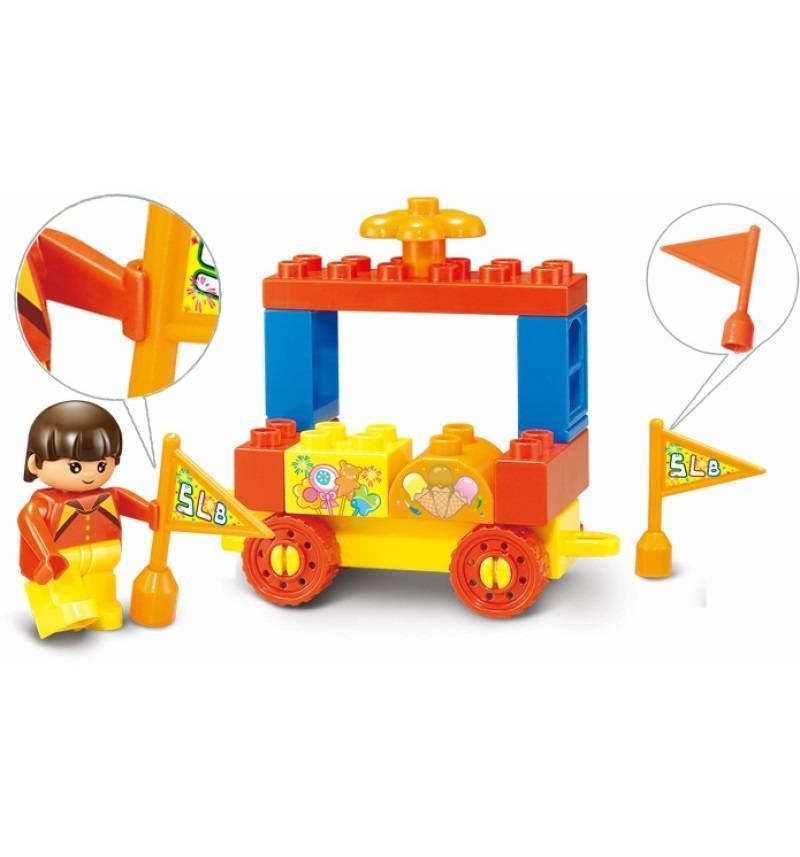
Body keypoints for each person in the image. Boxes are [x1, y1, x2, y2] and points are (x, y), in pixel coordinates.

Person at [18, 400, 158, 638]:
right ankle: (70, 615)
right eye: (75, 467)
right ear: (35, 464)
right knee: (66, 589)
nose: (90, 473)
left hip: (104, 557)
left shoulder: (112, 495)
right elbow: (28, 521)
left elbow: (131, 504)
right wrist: (47, 554)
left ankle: (102, 606)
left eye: (102, 465)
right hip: (64, 561)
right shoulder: (44, 504)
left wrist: (150, 512)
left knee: (101, 584)